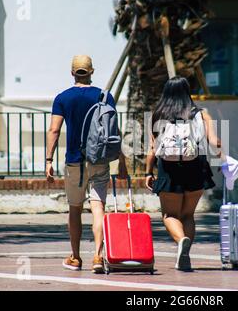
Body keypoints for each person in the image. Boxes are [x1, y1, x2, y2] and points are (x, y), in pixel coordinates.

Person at [45, 55, 127, 273]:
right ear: (92, 71)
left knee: (75, 209)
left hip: (74, 161)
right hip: (99, 159)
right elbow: (114, 131)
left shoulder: (63, 98)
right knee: (98, 207)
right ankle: (98, 257)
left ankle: (75, 257)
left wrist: (49, 159)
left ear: (72, 73)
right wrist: (122, 161)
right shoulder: (104, 96)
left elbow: (54, 130)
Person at [145, 76, 224, 271]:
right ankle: (185, 250)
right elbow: (215, 142)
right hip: (196, 166)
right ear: (187, 91)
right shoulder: (202, 114)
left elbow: (152, 149)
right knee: (188, 214)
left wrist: (148, 172)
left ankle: (181, 241)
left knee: (169, 214)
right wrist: (223, 158)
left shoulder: (157, 114)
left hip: (168, 169)